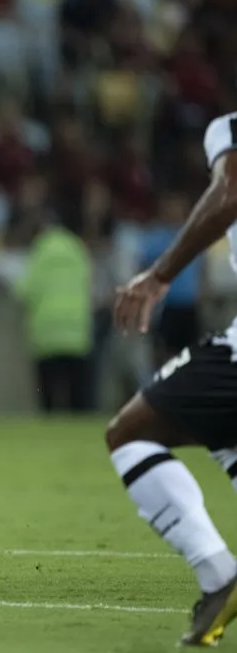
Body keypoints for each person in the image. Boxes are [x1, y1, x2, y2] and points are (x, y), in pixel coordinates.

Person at [110, 111, 237, 646]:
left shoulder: (228, 128)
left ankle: (219, 575)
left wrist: (158, 276)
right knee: (227, 435)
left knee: (133, 431)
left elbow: (229, 193)